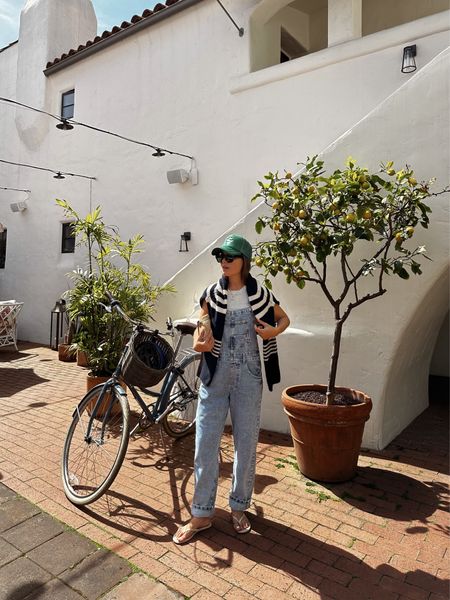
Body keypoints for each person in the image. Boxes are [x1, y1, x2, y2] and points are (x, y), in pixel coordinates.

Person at [173, 234, 290, 544]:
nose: (224, 262)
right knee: (205, 445)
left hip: (250, 377)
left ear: (244, 261)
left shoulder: (262, 294)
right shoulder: (210, 294)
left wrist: (272, 332)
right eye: (221, 257)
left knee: (246, 446)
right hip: (216, 377)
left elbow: (284, 319)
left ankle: (239, 507)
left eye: (230, 257)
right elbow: (202, 324)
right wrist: (201, 339)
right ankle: (201, 514)